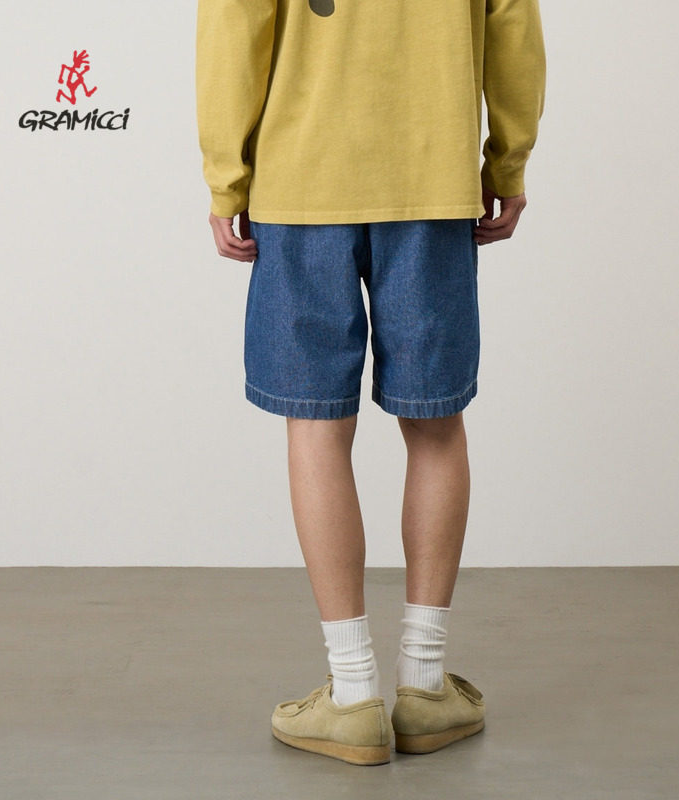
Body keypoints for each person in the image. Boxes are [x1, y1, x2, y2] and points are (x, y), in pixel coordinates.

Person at [195, 0, 546, 766]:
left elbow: (233, 26)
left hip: (302, 181)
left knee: (317, 426)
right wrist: (507, 163)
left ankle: (353, 694)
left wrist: (228, 178)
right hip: (431, 183)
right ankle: (425, 685)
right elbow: (512, 25)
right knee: (436, 423)